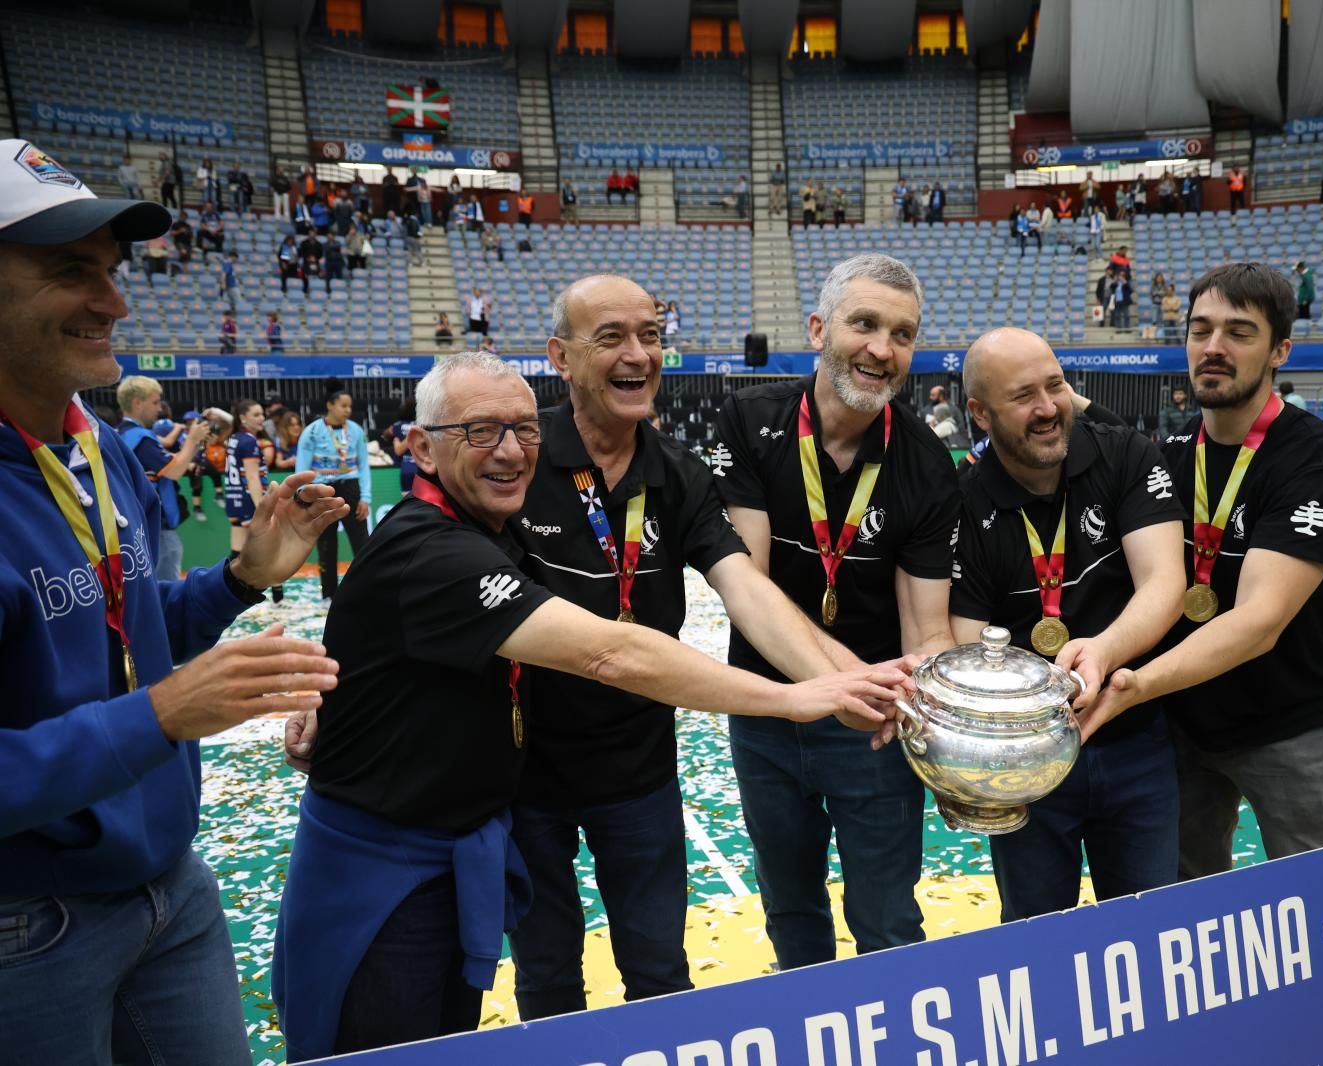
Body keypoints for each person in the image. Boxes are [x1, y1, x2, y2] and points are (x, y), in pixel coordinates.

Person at [272, 352, 902, 1059]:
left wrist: (340, 700)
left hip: (471, 838)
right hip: (386, 872)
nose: (509, 451)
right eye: (480, 431)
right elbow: (613, 653)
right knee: (400, 1038)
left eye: (520, 430)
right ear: (420, 446)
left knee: (475, 1026)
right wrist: (795, 698)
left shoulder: (490, 519)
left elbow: (387, 647)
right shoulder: (437, 547)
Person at [0, 139, 348, 1064]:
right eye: (74, 273)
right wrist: (160, 715)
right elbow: (144, 696)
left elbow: (128, 626)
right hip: (26, 925)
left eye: (112, 273)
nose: (115, 302)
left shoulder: (100, 451)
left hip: (172, 885)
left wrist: (239, 581)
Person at [504, 275, 911, 1019]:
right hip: (526, 772)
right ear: (560, 357)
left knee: (661, 976)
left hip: (639, 770)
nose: (639, 355)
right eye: (613, 338)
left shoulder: (679, 474)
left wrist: (845, 681)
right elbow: (429, 564)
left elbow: (747, 587)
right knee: (548, 979)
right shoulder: (517, 463)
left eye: (652, 336)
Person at [711, 253, 961, 971]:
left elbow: (927, 632)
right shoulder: (750, 421)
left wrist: (945, 745)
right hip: (769, 711)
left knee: (887, 921)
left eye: (903, 334)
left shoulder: (926, 464)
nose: (883, 350)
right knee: (791, 914)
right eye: (866, 324)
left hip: (874, 731)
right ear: (819, 328)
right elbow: (748, 588)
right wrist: (846, 686)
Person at [1077, 262, 1323, 878]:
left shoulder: (1314, 461)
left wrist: (1139, 685)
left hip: (1291, 730)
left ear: (1280, 350)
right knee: (1188, 915)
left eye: (1239, 332)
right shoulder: (1175, 453)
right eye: (1200, 329)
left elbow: (1259, 622)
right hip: (1183, 732)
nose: (1213, 348)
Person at [952, 327, 1186, 919]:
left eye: (1056, 386)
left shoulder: (1125, 453)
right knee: (1034, 936)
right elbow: (963, 637)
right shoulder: (965, 498)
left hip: (1135, 738)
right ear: (980, 413)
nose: (1048, 407)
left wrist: (1104, 652)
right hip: (1025, 762)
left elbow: (1164, 582)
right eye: (1023, 395)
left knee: (1149, 927)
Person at [117, 376, 212, 581]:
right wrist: (193, 440)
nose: (159, 408)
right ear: (137, 402)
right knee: (166, 589)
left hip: (142, 520)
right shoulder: (139, 438)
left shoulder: (124, 434)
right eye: (155, 402)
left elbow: (169, 463)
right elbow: (174, 471)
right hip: (155, 525)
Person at [296, 389, 371, 604]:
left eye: (350, 406)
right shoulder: (312, 432)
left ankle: (366, 590)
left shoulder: (356, 431)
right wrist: (304, 495)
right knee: (326, 544)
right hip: (323, 491)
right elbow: (302, 467)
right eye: (343, 405)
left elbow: (364, 465)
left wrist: (365, 497)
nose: (348, 410)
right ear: (330, 405)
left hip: (351, 489)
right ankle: (328, 595)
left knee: (362, 544)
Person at [225, 399, 268, 560]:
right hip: (248, 500)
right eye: (256, 415)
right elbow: (252, 476)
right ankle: (276, 586)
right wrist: (261, 506)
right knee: (265, 551)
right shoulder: (249, 441)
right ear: (243, 418)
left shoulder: (234, 438)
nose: (261, 418)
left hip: (234, 498)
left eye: (262, 414)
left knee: (237, 553)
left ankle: (227, 584)